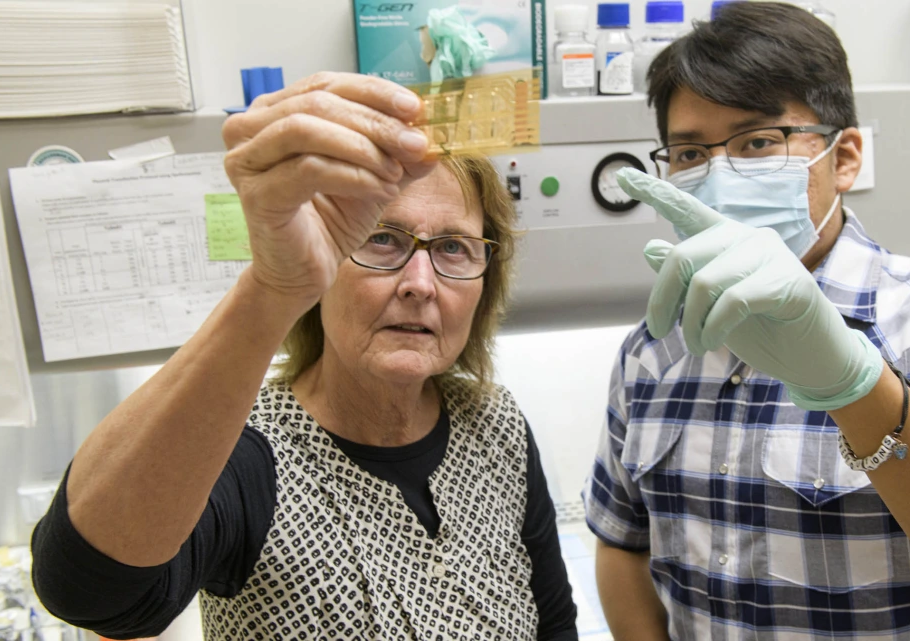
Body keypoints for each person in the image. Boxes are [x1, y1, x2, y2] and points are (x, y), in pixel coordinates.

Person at [583, 3, 910, 640]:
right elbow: (621, 541)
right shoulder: (653, 348)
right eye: (691, 152)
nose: (719, 175)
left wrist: (857, 387)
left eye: (759, 141)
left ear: (845, 157)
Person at [30, 72, 578, 640]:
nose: (421, 283)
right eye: (382, 238)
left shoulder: (494, 424)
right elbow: (89, 590)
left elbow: (554, 623)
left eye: (452, 248)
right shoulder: (248, 456)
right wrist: (273, 288)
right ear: (324, 270)